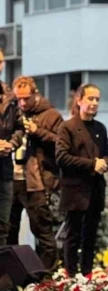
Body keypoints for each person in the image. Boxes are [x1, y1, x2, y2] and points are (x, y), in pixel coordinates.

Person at [7, 77, 63, 269]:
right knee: (8, 230)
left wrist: (38, 131)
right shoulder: (12, 113)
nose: (22, 103)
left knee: (42, 229)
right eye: (19, 99)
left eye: (26, 98)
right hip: (11, 178)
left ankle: (46, 275)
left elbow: (61, 143)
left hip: (36, 181)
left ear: (35, 94)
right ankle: (13, 277)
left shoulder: (51, 115)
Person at [56, 84, 108, 276]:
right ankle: (71, 276)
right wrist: (91, 164)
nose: (94, 103)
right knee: (73, 236)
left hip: (95, 189)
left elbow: (106, 154)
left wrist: (105, 163)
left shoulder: (100, 129)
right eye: (90, 98)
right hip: (75, 191)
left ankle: (87, 274)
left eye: (97, 99)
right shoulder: (67, 127)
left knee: (91, 236)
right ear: (79, 100)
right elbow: (61, 157)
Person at [0, 49, 23, 246]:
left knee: (3, 225)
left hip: (5, 168)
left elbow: (19, 128)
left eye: (0, 62)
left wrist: (11, 144)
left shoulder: (10, 96)